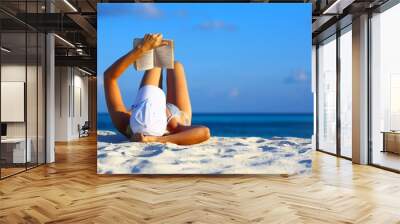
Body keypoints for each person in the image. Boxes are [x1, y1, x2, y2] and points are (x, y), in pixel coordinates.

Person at [104, 33, 210, 145]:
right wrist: (156, 140)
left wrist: (140, 49)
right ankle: (157, 51)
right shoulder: (174, 127)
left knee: (155, 66)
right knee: (176, 66)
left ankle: (152, 48)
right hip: (176, 115)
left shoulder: (123, 122)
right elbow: (205, 132)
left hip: (153, 110)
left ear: (135, 111)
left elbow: (109, 78)